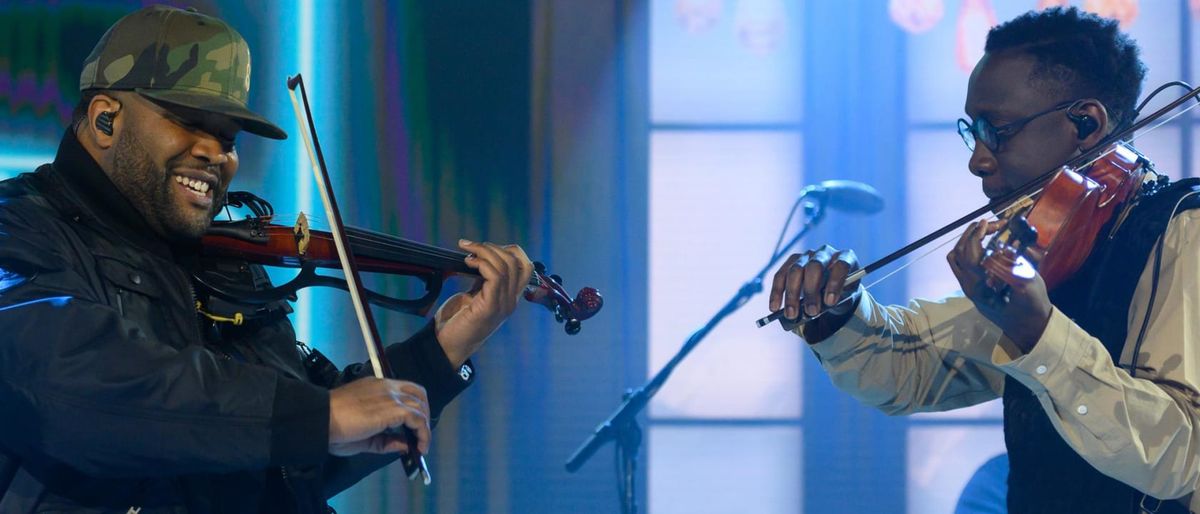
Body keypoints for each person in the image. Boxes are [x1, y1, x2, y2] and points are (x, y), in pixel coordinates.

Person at [0, 6, 533, 512]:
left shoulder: (229, 267)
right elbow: (77, 384)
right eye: (189, 122)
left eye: (228, 137)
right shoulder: (19, 229)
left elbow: (292, 459)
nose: (217, 153)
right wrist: (317, 417)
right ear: (105, 120)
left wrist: (441, 351)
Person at [770, 8, 1200, 514]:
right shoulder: (1048, 253)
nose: (977, 158)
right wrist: (839, 314)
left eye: (997, 129)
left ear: (1086, 124)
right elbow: (910, 368)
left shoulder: (1183, 231)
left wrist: (1038, 333)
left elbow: (1180, 457)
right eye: (970, 133)